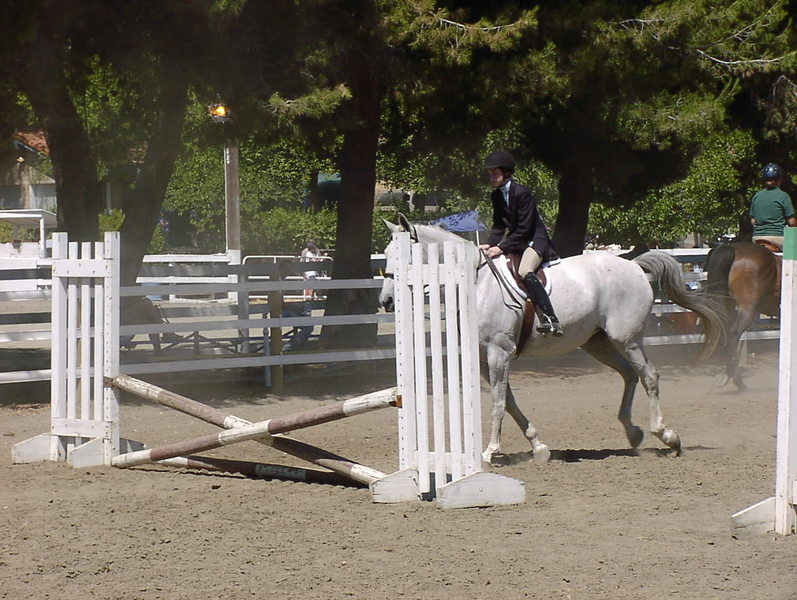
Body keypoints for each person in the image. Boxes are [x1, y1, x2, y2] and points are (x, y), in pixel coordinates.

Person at [478, 150, 563, 336]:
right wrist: (490, 243)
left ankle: (551, 318)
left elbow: (524, 228)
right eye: (489, 174)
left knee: (524, 271)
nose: (491, 178)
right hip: (518, 242)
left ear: (506, 172)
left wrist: (501, 247)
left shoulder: (522, 193)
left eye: (495, 174)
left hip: (534, 240)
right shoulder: (496, 195)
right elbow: (499, 225)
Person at [749, 162, 797, 250]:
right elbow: (792, 222)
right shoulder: (783, 196)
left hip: (757, 238)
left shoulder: (757, 196)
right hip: (777, 237)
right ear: (779, 179)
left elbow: (753, 221)